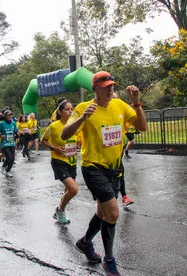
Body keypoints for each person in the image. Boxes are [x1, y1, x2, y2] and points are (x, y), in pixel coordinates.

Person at [61, 71, 147, 276]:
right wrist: (82, 118)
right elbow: (65, 134)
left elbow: (142, 127)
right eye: (106, 86)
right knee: (113, 213)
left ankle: (84, 242)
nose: (110, 89)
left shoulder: (119, 105)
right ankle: (109, 261)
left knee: (102, 212)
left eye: (112, 86)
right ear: (95, 89)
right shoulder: (83, 108)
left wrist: (137, 103)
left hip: (115, 168)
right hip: (93, 167)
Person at [41, 100, 78, 224]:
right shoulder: (53, 126)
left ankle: (60, 211)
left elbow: (79, 140)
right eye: (67, 109)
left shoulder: (74, 125)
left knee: (67, 190)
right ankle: (60, 209)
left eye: (72, 109)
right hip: (58, 161)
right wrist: (53, 148)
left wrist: (78, 144)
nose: (70, 111)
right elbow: (43, 140)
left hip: (72, 160)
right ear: (60, 112)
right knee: (73, 190)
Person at [0, 110, 19, 178]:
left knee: (13, 159)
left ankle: (8, 171)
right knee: (9, 157)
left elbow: (16, 131)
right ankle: (3, 168)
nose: (9, 116)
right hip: (4, 143)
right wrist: (1, 135)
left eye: (10, 115)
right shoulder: (1, 123)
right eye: (8, 115)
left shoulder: (13, 123)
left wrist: (17, 135)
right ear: (5, 116)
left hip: (12, 143)